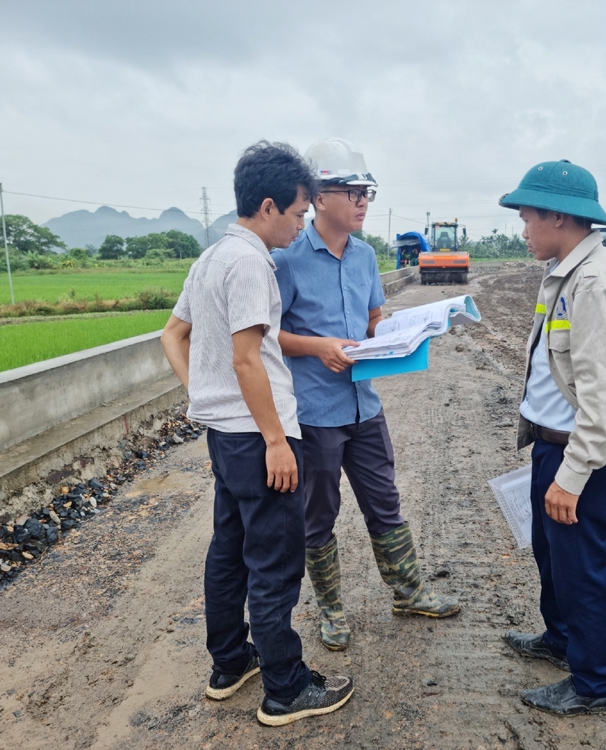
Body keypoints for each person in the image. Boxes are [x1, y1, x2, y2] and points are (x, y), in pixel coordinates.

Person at [160, 141, 354, 727]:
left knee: (229, 550)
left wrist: (204, 398)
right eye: (298, 214)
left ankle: (229, 664)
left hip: (226, 434)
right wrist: (274, 439)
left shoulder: (211, 257)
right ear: (267, 207)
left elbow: (172, 337)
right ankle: (286, 688)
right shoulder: (250, 263)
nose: (301, 225)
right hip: (258, 435)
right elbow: (248, 360)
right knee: (274, 560)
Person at [271, 137, 460, 652]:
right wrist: (317, 347)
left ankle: (409, 590)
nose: (361, 202)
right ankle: (331, 609)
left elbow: (374, 321)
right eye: (351, 191)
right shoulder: (287, 260)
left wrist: (407, 332)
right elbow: (267, 335)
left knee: (385, 501)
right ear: (319, 197)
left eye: (366, 192)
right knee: (319, 512)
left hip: (363, 405)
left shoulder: (364, 257)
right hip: (316, 412)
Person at [497, 160, 606, 716]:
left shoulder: (593, 282)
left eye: (528, 218)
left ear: (558, 217)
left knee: (579, 565)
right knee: (551, 554)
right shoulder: (565, 271)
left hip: (578, 452)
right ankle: (560, 639)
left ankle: (592, 684)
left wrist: (573, 474)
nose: (523, 230)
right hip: (551, 443)